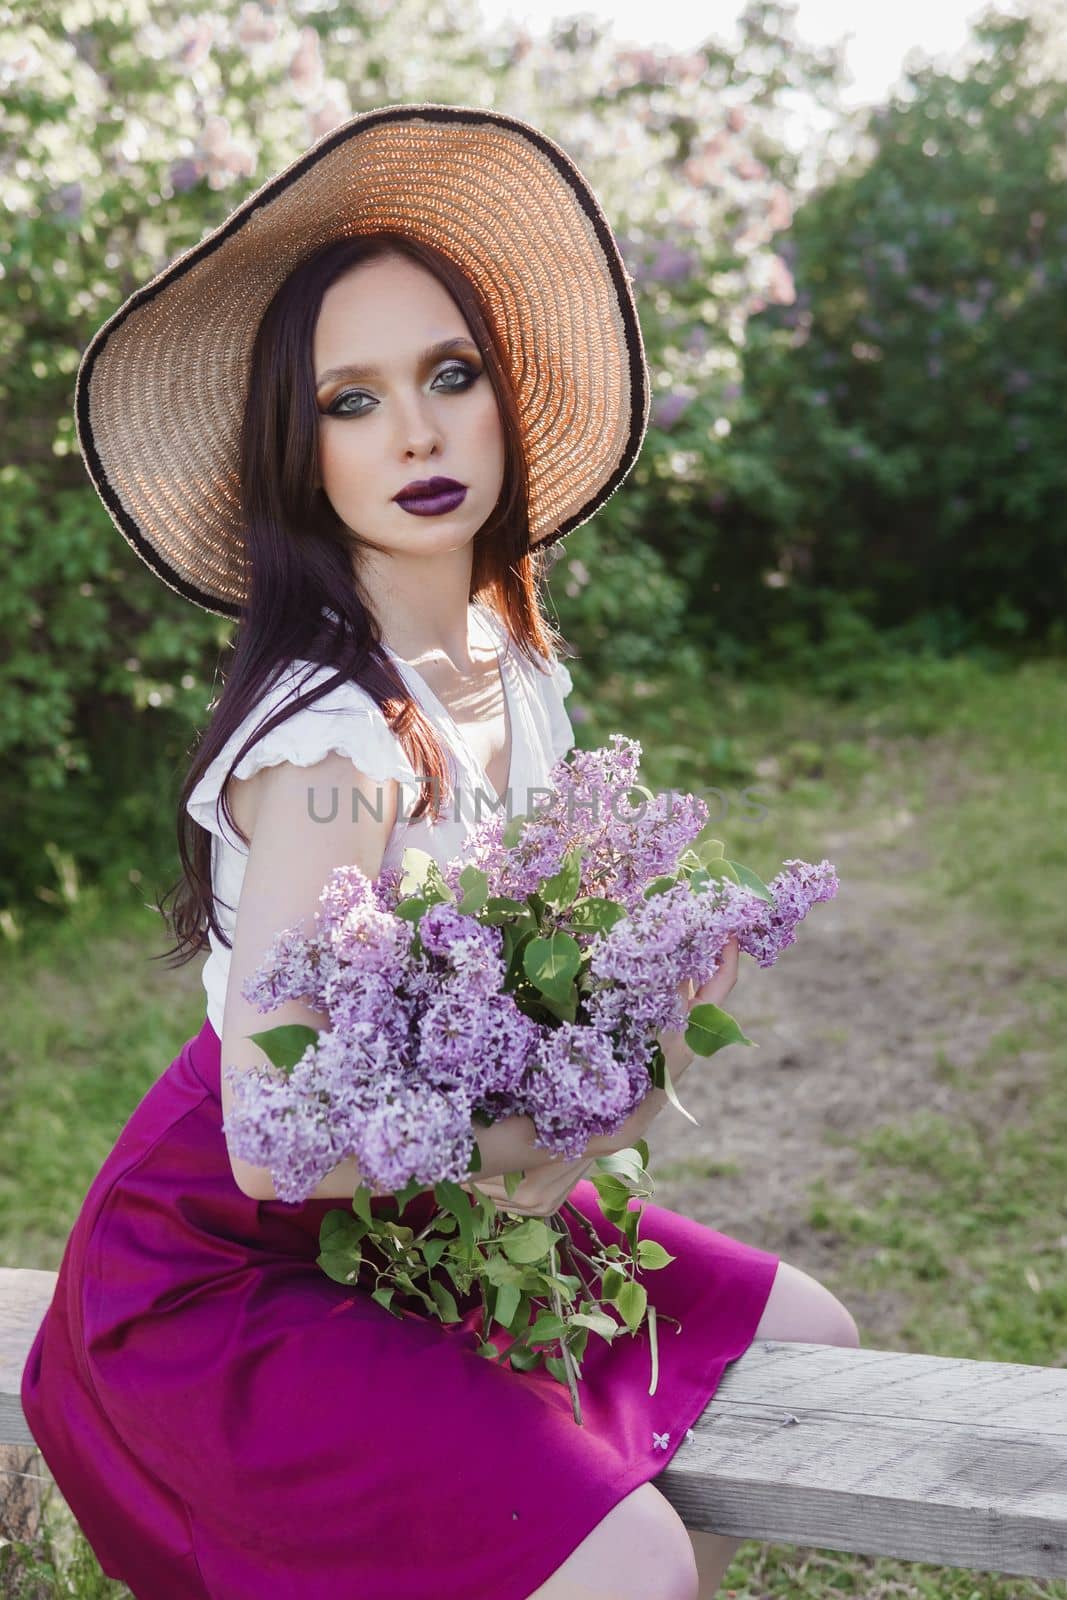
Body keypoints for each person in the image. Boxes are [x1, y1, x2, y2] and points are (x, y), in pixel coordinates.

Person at [21, 104, 860, 1600]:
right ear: (301, 453)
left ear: (502, 403)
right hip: (233, 1267)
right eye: (352, 400)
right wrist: (537, 1152)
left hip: (422, 1204)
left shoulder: (503, 660)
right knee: (628, 1561)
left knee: (808, 1344)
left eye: (449, 375)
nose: (414, 431)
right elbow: (273, 1141)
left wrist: (645, 1042)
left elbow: (552, 999)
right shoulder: (333, 754)